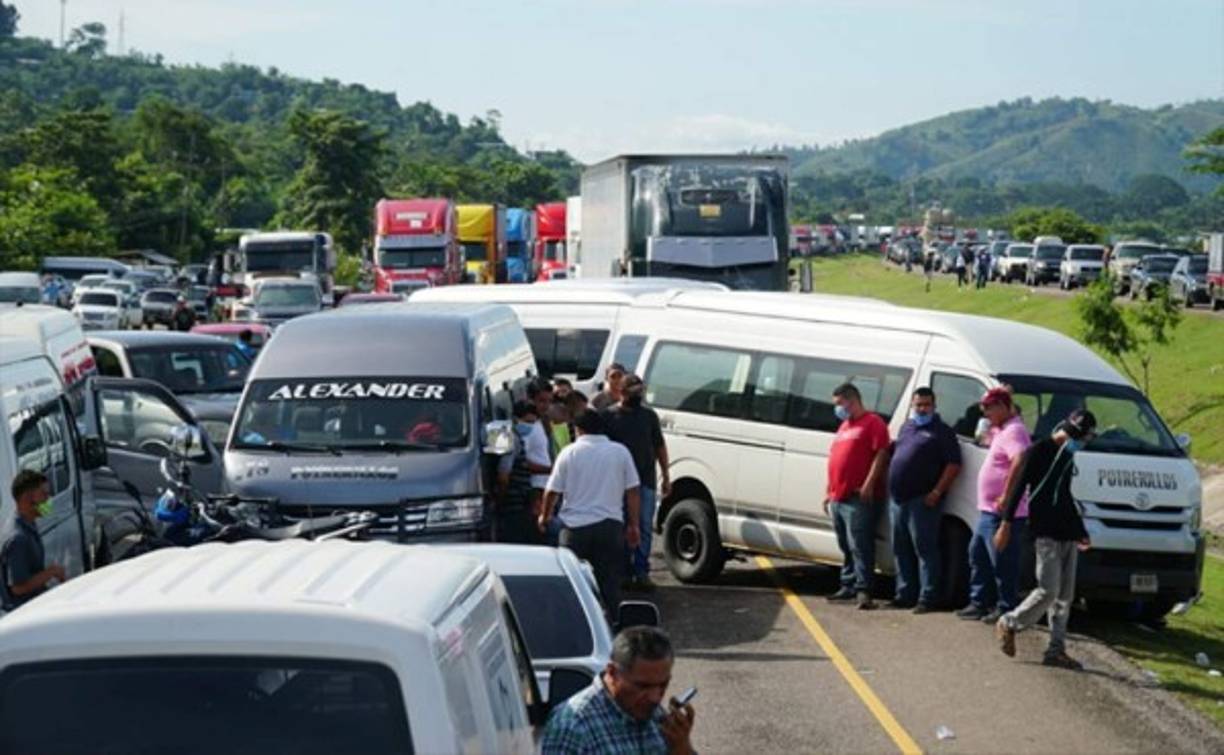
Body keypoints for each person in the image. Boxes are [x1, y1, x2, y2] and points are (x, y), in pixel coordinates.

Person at [994, 410, 1097, 670]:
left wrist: (1080, 530)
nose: (1081, 444)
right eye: (1083, 438)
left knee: (1065, 596)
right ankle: (1010, 622)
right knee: (1048, 590)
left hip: (1067, 534)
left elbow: (1064, 496)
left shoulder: (1068, 457)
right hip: (1045, 533)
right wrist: (1005, 523)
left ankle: (1056, 649)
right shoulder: (1039, 451)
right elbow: (1018, 488)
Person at [541, 410, 641, 611]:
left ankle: (575, 625)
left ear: (578, 429)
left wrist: (545, 516)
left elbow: (552, 491)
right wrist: (634, 525)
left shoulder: (569, 453)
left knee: (572, 584)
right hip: (610, 527)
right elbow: (633, 491)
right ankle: (612, 623)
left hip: (574, 529)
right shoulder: (620, 452)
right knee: (609, 582)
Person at [541, 626, 696, 755]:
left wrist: (682, 748)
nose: (655, 698)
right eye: (643, 687)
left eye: (663, 685)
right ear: (612, 673)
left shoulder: (656, 717)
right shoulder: (574, 727)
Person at [958, 387, 1031, 623]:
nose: (986, 414)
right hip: (987, 510)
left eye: (989, 409)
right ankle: (979, 601)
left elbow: (1019, 462)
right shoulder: (1001, 430)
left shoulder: (1015, 432)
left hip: (1002, 511)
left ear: (1002, 407)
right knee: (977, 554)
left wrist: (1007, 497)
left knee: (1002, 560)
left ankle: (1006, 606)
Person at [886, 387, 961, 613]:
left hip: (923, 500)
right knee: (901, 548)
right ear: (912, 405)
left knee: (925, 550)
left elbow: (953, 465)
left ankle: (927, 597)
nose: (922, 409)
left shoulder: (942, 432)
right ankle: (905, 593)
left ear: (934, 406)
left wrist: (937, 492)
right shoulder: (906, 427)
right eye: (918, 405)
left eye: (926, 405)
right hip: (898, 499)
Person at [824, 383, 892, 610]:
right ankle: (848, 584)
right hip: (838, 496)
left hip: (858, 497)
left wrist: (869, 484)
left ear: (852, 400)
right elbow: (836, 460)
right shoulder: (845, 426)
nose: (838, 410)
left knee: (860, 544)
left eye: (839, 404)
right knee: (845, 543)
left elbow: (881, 454)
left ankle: (864, 589)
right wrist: (828, 491)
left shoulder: (873, 423)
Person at [602, 374, 671, 592]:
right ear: (622, 393)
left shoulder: (649, 416)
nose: (638, 397)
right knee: (620, 527)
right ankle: (623, 572)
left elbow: (659, 446)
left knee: (643, 527)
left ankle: (641, 572)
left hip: (645, 481)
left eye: (640, 392)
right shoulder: (609, 417)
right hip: (617, 483)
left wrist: (666, 475)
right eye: (633, 393)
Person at [2, 470, 66, 611]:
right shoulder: (18, 538)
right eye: (44, 494)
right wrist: (51, 572)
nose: (48, 499)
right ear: (27, 498)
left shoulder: (28, 523)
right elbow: (18, 588)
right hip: (25, 612)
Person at [496, 401, 550, 544]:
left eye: (533, 422)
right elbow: (503, 475)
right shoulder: (509, 438)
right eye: (527, 422)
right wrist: (500, 499)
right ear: (515, 419)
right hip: (513, 502)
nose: (530, 426)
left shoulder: (516, 437)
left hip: (521, 500)